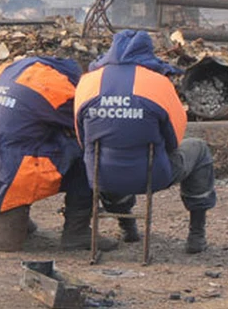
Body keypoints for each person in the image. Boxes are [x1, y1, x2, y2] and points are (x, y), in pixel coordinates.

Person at [0, 56, 117, 251]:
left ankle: (14, 213)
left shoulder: (6, 71)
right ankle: (76, 232)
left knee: (22, 139)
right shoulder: (58, 85)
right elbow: (83, 124)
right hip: (12, 172)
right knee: (86, 155)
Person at [74, 30, 217, 254]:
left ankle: (127, 226)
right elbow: (174, 140)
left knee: (107, 155)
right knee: (198, 149)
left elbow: (83, 140)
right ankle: (196, 234)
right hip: (153, 175)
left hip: (101, 175)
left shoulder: (87, 82)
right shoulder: (158, 83)